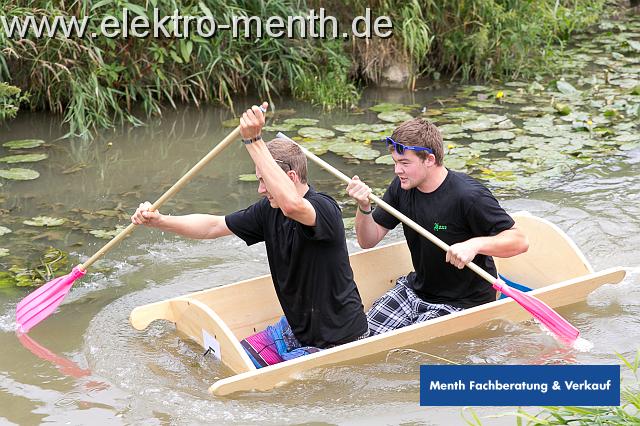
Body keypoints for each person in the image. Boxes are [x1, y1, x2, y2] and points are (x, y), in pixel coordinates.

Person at [131, 102, 368, 368]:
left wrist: (254, 140)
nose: (259, 190)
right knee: (223, 363)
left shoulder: (325, 209)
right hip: (295, 331)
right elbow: (213, 227)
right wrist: (160, 221)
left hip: (339, 340)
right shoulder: (268, 210)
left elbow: (293, 205)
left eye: (263, 180)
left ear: (289, 177)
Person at [346, 118, 529, 336]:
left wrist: (474, 245)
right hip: (415, 290)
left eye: (404, 163)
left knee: (403, 348)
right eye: (395, 162)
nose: (397, 170)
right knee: (360, 337)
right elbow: (368, 241)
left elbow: (519, 241)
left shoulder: (468, 195)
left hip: (463, 302)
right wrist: (364, 206)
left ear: (429, 159)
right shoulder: (401, 187)